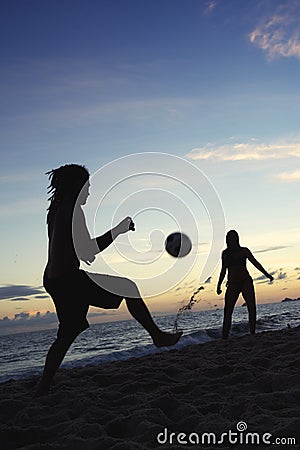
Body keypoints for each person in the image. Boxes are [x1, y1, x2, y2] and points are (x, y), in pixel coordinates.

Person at [36, 164, 182, 396]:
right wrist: (118, 230)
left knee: (68, 332)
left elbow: (68, 247)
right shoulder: (73, 210)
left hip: (54, 279)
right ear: (76, 186)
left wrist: (78, 254)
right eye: (86, 185)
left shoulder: (55, 209)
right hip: (68, 280)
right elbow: (86, 250)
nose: (89, 190)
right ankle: (158, 337)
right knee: (129, 287)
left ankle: (43, 386)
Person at [216, 230, 274, 340]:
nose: (232, 240)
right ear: (227, 240)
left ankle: (252, 333)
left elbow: (256, 263)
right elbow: (223, 270)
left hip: (245, 281)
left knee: (251, 308)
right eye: (230, 238)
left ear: (237, 239)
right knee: (228, 311)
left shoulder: (244, 251)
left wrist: (267, 275)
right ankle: (224, 337)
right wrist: (218, 285)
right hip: (232, 284)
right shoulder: (225, 254)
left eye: (234, 237)